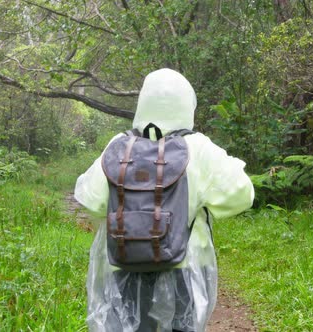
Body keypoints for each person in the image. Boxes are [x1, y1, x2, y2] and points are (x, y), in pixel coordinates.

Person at [74, 68, 254, 332]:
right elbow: (243, 194)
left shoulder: (119, 146)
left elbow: (90, 200)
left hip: (126, 265)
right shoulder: (198, 148)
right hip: (187, 268)